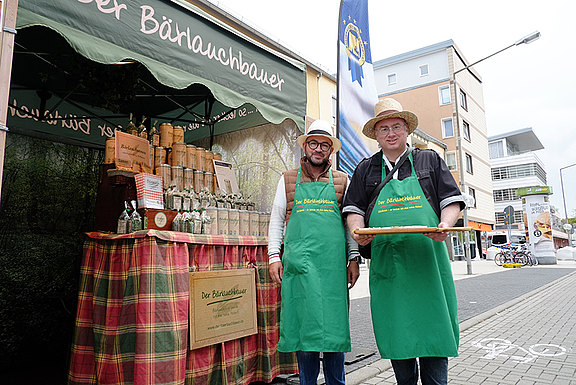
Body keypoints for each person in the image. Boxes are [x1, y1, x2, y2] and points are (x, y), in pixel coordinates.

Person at [343, 99, 465, 385]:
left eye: (396, 126)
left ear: (407, 128)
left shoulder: (429, 160)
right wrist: (359, 231)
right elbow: (353, 210)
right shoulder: (366, 169)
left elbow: (452, 201)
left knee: (433, 338)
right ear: (376, 135)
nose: (390, 133)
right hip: (390, 268)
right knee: (399, 338)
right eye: (383, 128)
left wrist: (445, 225)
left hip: (428, 267)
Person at [268, 119, 361, 385]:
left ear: (330, 150)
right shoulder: (287, 179)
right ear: (306, 146)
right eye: (313, 143)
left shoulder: (343, 180)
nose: (318, 149)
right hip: (299, 267)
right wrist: (274, 256)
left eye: (324, 144)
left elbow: (349, 225)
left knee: (333, 334)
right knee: (304, 333)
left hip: (332, 270)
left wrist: (353, 258)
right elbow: (276, 221)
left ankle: (336, 382)